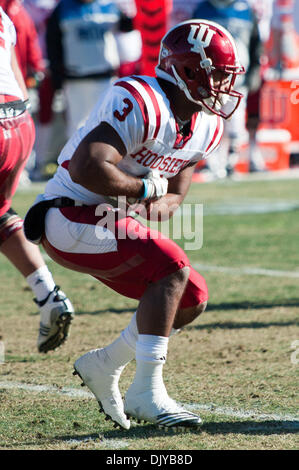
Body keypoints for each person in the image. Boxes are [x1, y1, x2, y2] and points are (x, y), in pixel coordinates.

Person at [24, 19, 245, 429]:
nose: (223, 86)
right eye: (216, 74)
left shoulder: (207, 125)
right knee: (171, 269)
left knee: (190, 296)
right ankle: (146, 393)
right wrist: (142, 191)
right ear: (188, 70)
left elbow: (173, 196)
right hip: (66, 212)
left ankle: (104, 364)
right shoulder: (143, 99)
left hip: (104, 217)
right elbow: (89, 166)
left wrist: (146, 204)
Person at [0, 6, 74, 353]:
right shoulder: (4, 18)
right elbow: (17, 73)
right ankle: (48, 296)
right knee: (0, 215)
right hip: (18, 122)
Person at [46, 0, 140, 139]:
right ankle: (73, 160)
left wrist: (129, 15)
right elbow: (53, 43)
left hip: (106, 78)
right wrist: (57, 77)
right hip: (75, 79)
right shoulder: (63, 8)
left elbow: (128, 33)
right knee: (76, 127)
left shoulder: (111, 5)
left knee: (108, 123)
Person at [192, 0, 264, 176]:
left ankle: (231, 163)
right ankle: (211, 163)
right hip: (209, 78)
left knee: (235, 123)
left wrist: (255, 70)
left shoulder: (246, 10)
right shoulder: (202, 9)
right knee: (208, 121)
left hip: (238, 77)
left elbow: (256, 44)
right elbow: (192, 45)